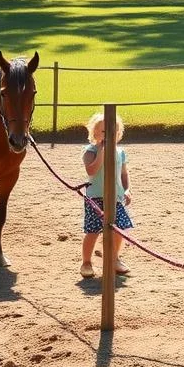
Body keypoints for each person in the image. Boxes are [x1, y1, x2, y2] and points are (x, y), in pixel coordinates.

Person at [79, 112, 133, 278]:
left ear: (119, 134)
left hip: (115, 198)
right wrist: (102, 151)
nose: (108, 135)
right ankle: (86, 262)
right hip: (96, 198)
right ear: (94, 134)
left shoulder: (121, 152)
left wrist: (126, 189)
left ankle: (114, 258)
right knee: (93, 231)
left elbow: (124, 174)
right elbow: (91, 170)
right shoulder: (90, 151)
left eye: (113, 131)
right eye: (103, 132)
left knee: (119, 229)